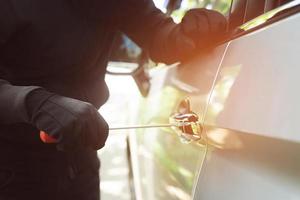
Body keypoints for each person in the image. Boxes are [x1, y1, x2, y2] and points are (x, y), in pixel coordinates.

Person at [0, 0, 227, 199]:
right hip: (13, 165)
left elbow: (155, 31)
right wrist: (33, 103)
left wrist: (192, 33)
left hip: (81, 157)